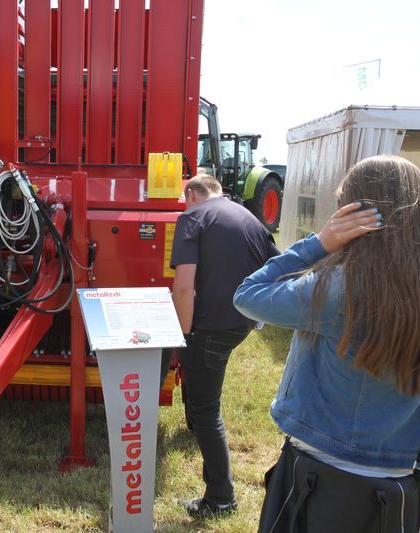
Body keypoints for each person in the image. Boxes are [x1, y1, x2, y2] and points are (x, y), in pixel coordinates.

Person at [233, 155, 420, 530]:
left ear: (352, 212)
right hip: (397, 485)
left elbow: (248, 295)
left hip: (313, 477)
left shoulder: (335, 288)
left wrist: (319, 243)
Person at [169, 174, 279, 519]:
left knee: (205, 412)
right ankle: (219, 493)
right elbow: (278, 269)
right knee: (207, 406)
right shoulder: (249, 218)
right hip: (238, 324)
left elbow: (184, 286)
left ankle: (221, 498)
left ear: (191, 194)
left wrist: (181, 335)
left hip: (207, 329)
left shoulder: (192, 217)